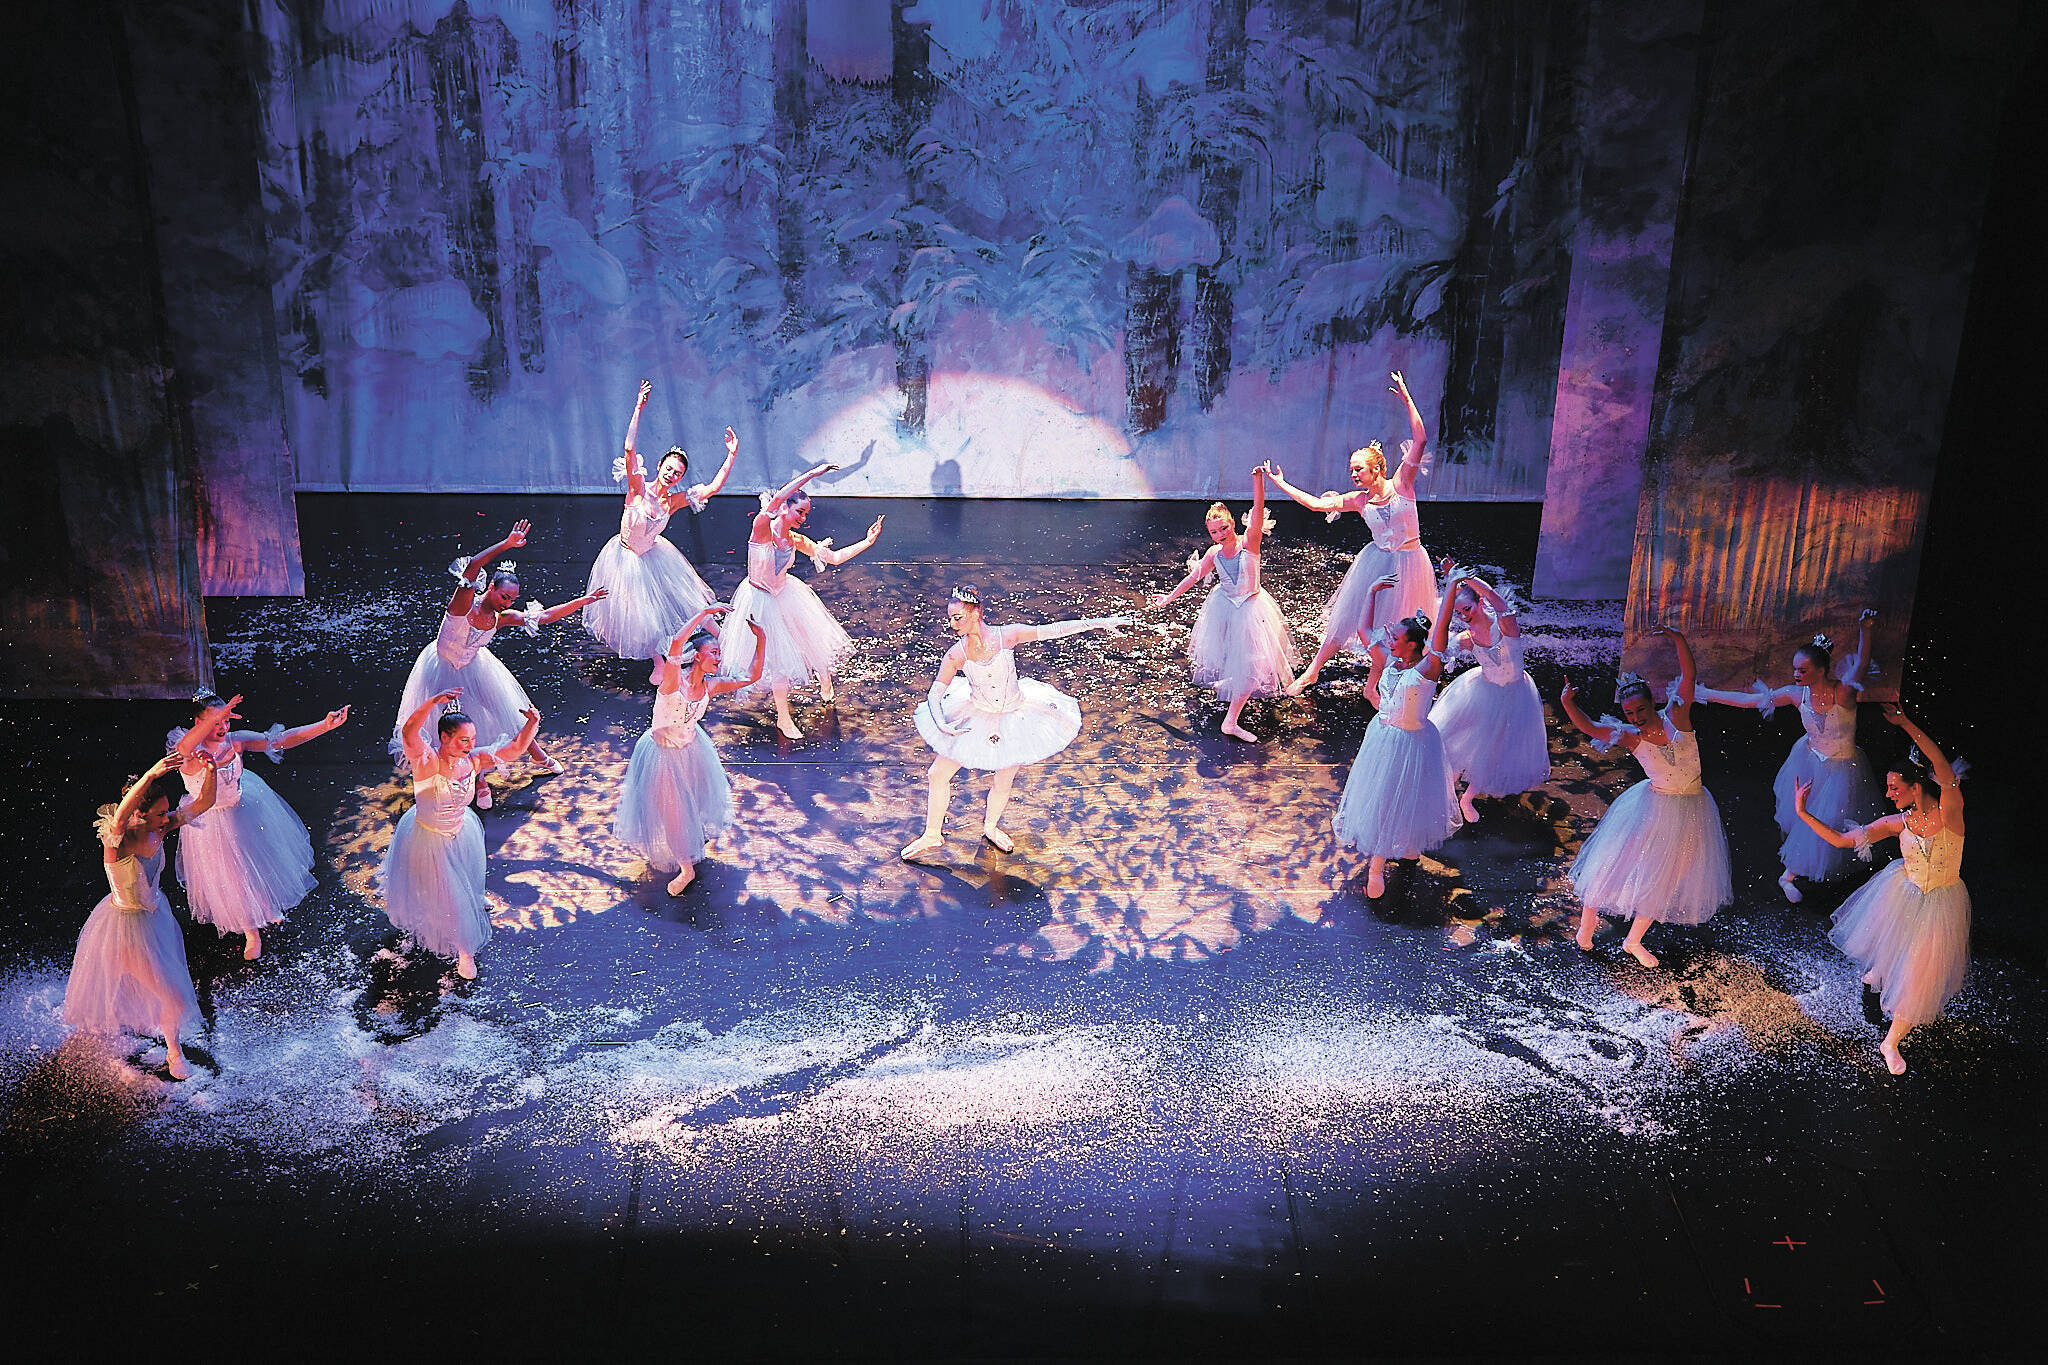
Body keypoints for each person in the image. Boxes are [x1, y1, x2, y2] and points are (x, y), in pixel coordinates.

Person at [1792, 704, 1967, 1075]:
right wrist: (1803, 813)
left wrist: (1905, 722)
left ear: (1915, 786)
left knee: (1919, 972)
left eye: (1894, 787)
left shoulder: (1950, 811)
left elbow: (1942, 768)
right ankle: (1877, 975)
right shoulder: (1897, 822)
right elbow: (1843, 841)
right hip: (1904, 894)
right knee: (1894, 949)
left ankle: (1890, 1041)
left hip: (1940, 902)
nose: (1889, 794)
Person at [901, 586, 1128, 860]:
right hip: (976, 716)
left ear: (976, 614)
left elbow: (1053, 630)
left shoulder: (1006, 635)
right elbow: (935, 693)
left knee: (1003, 779)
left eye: (957, 618)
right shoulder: (956, 653)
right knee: (937, 773)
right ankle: (932, 834)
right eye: (950, 618)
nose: (952, 624)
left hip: (1014, 717)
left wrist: (1098, 622)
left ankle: (990, 827)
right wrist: (941, 724)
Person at [391, 519, 604, 805]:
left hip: (476, 667)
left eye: (512, 599)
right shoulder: (463, 602)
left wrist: (582, 601)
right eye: (504, 596)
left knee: (507, 709)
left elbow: (544, 616)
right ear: (490, 587)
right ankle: (477, 779)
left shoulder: (500, 618)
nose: (507, 603)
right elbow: (473, 565)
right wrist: (507, 544)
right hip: (441, 668)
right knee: (459, 725)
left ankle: (536, 755)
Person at [1558, 626, 1732, 967]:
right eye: (1629, 714)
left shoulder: (1677, 716)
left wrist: (1678, 639)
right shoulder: (1630, 736)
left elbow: (1689, 676)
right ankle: (1587, 925)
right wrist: (1567, 703)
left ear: (1653, 701)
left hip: (1692, 807)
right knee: (1615, 862)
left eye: (1640, 709)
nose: (1636, 717)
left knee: (1668, 875)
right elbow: (1590, 727)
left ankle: (1633, 940)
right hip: (1652, 807)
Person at [1257, 371, 1435, 693]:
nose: (1353, 474)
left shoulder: (1402, 484)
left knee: (1399, 626)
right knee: (1346, 618)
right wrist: (1280, 483)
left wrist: (1407, 399)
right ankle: (1312, 671)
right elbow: (1316, 505)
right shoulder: (1358, 500)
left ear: (1376, 469)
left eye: (1358, 469)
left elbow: (1420, 440)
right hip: (1376, 562)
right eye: (1351, 469)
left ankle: (1379, 684)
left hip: (1410, 563)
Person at [1696, 610, 1883, 901]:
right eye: (1795, 669)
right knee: (1805, 815)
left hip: (1841, 766)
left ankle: (1798, 875)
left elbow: (1860, 664)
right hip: (1809, 760)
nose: (1796, 675)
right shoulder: (1798, 694)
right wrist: (1706, 693)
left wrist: (1865, 630)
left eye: (1803, 671)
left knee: (1830, 818)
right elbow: (1750, 701)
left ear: (1821, 670)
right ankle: (1788, 876)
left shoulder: (1843, 693)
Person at [65, 751, 217, 1080]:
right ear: (139, 812)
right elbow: (120, 818)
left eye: (166, 812)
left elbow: (204, 803)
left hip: (155, 918)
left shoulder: (158, 830)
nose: (166, 817)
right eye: (160, 813)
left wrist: (212, 771)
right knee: (170, 997)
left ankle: (172, 1048)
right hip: (124, 929)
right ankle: (174, 1053)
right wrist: (150, 775)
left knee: (160, 989)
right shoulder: (116, 841)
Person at [167, 690, 349, 960]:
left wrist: (323, 725)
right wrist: (216, 716)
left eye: (225, 720)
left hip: (242, 807)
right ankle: (250, 930)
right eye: (215, 722)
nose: (223, 727)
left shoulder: (235, 742)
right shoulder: (191, 754)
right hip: (211, 821)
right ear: (198, 724)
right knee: (232, 874)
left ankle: (263, 905)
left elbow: (279, 740)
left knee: (256, 861)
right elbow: (183, 748)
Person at [719, 461, 884, 739]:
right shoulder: (761, 528)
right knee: (777, 661)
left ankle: (826, 684)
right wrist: (812, 474)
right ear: (784, 507)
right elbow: (780, 496)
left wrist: (867, 542)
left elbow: (834, 558)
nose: (803, 518)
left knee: (811, 640)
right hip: (759, 600)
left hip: (785, 594)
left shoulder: (795, 539)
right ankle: (784, 718)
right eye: (799, 511)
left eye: (806, 513)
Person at [382, 690, 541, 979]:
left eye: (473, 739)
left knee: (466, 874)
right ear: (445, 737)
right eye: (463, 740)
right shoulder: (427, 762)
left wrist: (533, 723)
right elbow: (408, 732)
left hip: (460, 828)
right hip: (429, 837)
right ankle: (464, 951)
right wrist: (432, 703)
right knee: (449, 895)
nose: (470, 745)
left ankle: (474, 898)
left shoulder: (474, 761)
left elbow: (514, 749)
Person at [583, 381, 738, 674]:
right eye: (669, 469)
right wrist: (638, 407)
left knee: (687, 598)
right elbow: (629, 448)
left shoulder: (675, 500)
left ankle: (726, 641)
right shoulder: (638, 488)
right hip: (625, 557)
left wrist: (731, 455)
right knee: (641, 612)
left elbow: (713, 488)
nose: (671, 475)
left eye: (677, 473)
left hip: (654, 554)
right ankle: (658, 661)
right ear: (659, 466)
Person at [1331, 566, 1462, 897]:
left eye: (1396, 638)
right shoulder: (1390, 661)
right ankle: (1378, 867)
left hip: (1412, 741)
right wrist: (1371, 593)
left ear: (1413, 644)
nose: (1389, 640)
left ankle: (1401, 851)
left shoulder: (1428, 668)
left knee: (1405, 797)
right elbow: (1363, 630)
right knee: (1383, 796)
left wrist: (1450, 586)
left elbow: (1442, 630)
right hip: (1383, 737)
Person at [614, 605, 763, 894]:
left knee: (692, 801)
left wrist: (761, 639)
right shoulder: (673, 681)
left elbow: (753, 676)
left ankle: (692, 841)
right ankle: (686, 868)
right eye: (713, 653)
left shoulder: (711, 686)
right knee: (672, 813)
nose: (718, 658)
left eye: (719, 653)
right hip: (662, 756)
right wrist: (704, 613)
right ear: (697, 656)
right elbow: (676, 644)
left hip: (692, 749)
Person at [1147, 465, 1298, 741]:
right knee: (1245, 663)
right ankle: (1230, 721)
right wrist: (1168, 597)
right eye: (1214, 532)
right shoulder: (1214, 553)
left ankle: (1232, 697)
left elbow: (1258, 509)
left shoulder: (1250, 542)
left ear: (1233, 524)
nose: (1220, 535)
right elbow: (1194, 577)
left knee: (1253, 663)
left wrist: (1258, 480)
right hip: (1226, 605)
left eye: (1224, 528)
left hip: (1250, 607)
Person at [1429, 564, 1548, 822]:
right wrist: (1451, 585)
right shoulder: (1467, 637)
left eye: (1467, 609)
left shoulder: (1505, 626)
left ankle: (1467, 798)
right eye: (1459, 613)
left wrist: (1467, 578)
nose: (1464, 616)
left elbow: (1496, 598)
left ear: (1480, 602)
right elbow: (1439, 649)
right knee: (1464, 741)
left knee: (1495, 750)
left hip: (1516, 695)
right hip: (1484, 693)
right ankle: (1445, 792)